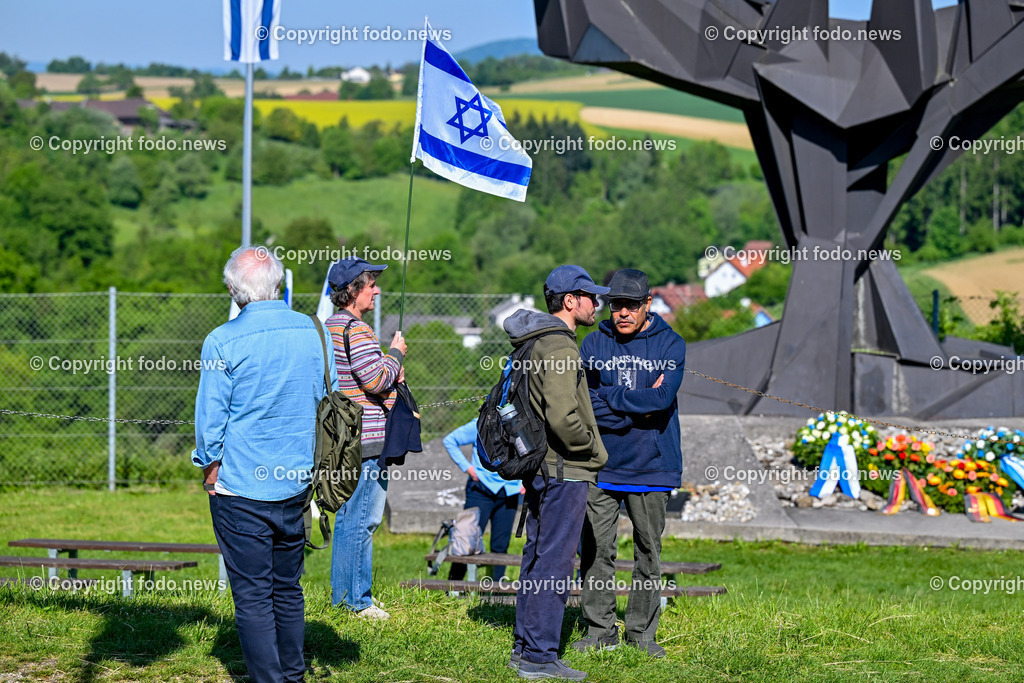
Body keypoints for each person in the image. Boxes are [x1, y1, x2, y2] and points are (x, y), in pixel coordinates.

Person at [193, 246, 337, 683]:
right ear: (278, 284)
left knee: (253, 596)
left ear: (235, 291)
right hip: (297, 483)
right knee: (288, 589)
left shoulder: (222, 339)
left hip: (240, 487)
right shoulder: (316, 332)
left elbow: (210, 416)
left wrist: (209, 466)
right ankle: (292, 675)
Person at [575, 268, 686, 659]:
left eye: (631, 305)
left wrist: (611, 397)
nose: (622, 312)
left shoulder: (671, 345)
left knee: (648, 553)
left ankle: (641, 634)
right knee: (595, 551)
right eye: (616, 304)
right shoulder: (591, 345)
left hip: (653, 465)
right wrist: (633, 406)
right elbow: (585, 406)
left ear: (647, 305)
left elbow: (661, 400)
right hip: (601, 465)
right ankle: (599, 631)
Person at [507, 265, 609, 682]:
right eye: (590, 296)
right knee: (555, 561)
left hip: (539, 467)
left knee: (536, 554)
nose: (598, 303)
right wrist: (593, 447)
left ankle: (524, 647)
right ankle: (540, 657)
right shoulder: (562, 348)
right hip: (564, 468)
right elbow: (564, 419)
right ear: (570, 301)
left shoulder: (534, 341)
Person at [326, 257, 407, 620]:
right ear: (353, 291)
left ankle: (346, 596)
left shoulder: (326, 326)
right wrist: (395, 355)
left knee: (348, 517)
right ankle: (356, 601)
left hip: (340, 440)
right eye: (371, 284)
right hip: (367, 438)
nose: (377, 290)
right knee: (363, 520)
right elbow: (375, 380)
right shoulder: (357, 330)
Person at [442, 419, 525, 580]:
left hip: (510, 492)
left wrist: (524, 480)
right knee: (465, 540)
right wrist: (468, 468)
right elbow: (450, 440)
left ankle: (496, 590)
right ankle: (453, 586)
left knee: (500, 545)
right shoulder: (479, 424)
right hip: (481, 489)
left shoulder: (521, 424)